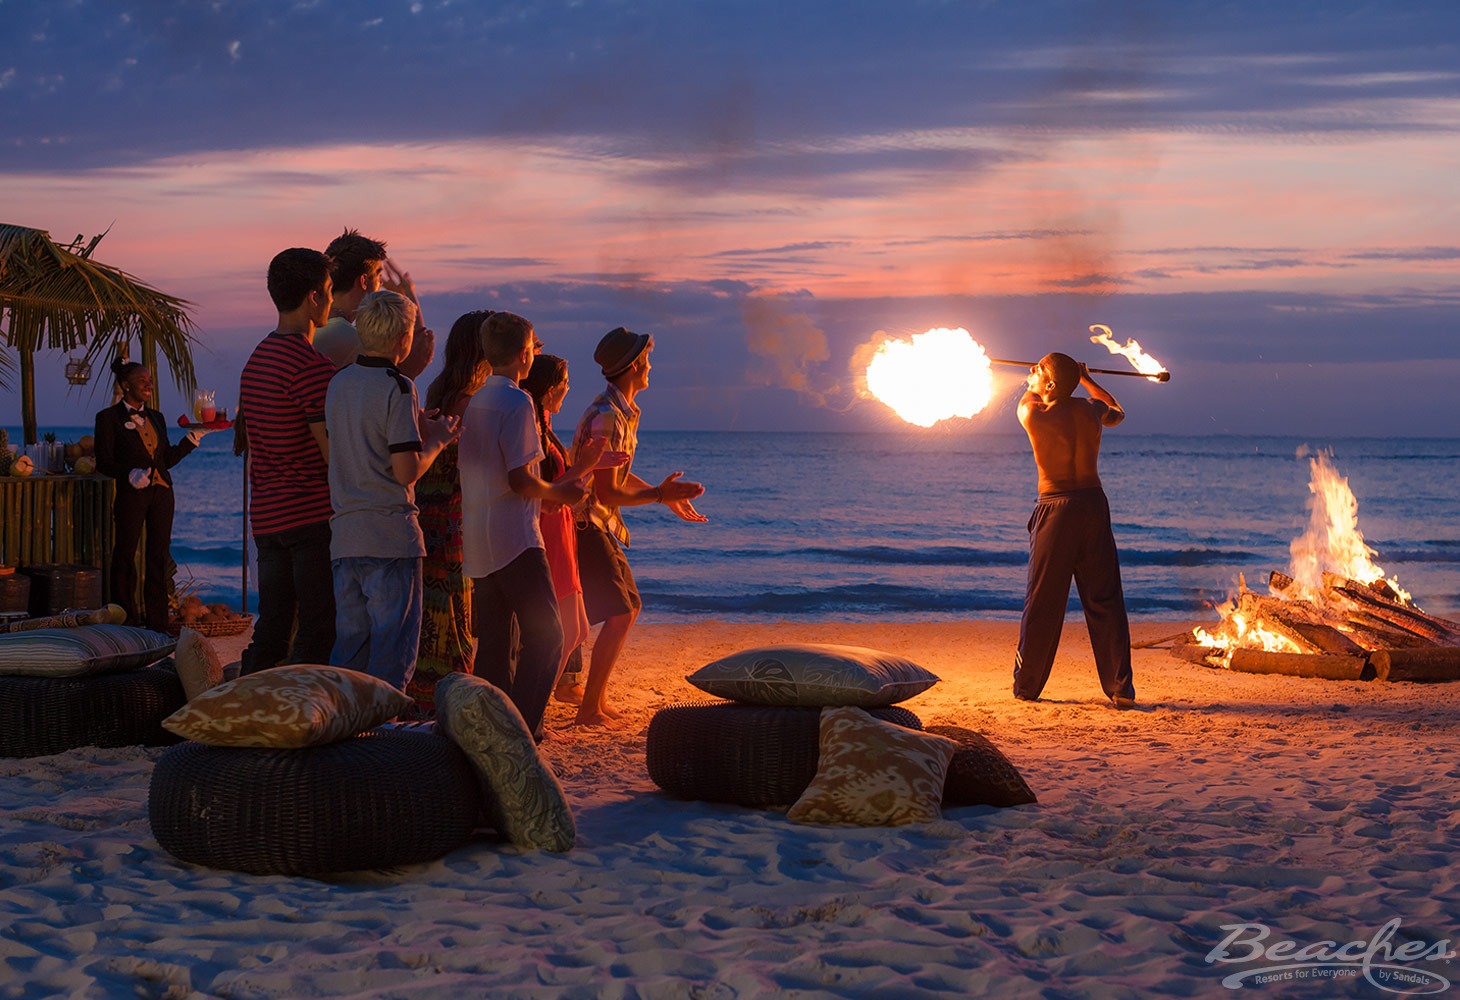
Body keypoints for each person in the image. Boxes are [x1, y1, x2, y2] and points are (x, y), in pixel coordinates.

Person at [458, 313, 610, 740]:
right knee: (548, 638)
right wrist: (564, 494)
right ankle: (521, 728)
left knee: (494, 647)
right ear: (525, 354)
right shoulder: (518, 402)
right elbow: (521, 479)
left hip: (479, 540)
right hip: (516, 539)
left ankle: (492, 727)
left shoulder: (475, 400)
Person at [570, 327, 706, 727]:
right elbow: (607, 492)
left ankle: (593, 701)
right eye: (646, 360)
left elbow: (615, 475)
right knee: (623, 610)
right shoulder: (609, 416)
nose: (650, 367)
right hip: (585, 521)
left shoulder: (621, 410)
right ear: (633, 367)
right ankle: (588, 707)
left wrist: (664, 497)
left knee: (626, 609)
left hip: (596, 520)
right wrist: (660, 495)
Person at [326, 290, 460, 689]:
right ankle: (382, 740)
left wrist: (414, 427)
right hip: (389, 536)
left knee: (350, 654)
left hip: (345, 537)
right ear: (404, 338)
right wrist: (437, 439)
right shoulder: (398, 387)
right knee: (391, 657)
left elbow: (360, 443)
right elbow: (405, 471)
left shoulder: (339, 382)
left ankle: (343, 736)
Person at [1012, 352, 1136, 708]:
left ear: (1050, 385)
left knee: (1044, 601)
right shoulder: (1090, 411)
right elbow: (1117, 411)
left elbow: (1030, 392)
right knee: (1105, 599)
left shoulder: (1032, 413)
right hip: (1094, 506)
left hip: (1057, 508)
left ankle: (1027, 686)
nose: (1031, 371)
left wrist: (1067, 377)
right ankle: (1120, 689)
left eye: (1039, 369)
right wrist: (1086, 378)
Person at [237, 248, 338, 673]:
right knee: (318, 631)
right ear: (313, 297)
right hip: (310, 517)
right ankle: (302, 725)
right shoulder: (312, 366)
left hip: (268, 517)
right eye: (330, 292)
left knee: (273, 630)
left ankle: (239, 718)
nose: (332, 301)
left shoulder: (256, 360)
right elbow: (332, 453)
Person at [409, 309, 495, 715]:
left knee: (433, 612)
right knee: (456, 612)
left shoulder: (438, 391)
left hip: (428, 510)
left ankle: (424, 694)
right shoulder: (473, 401)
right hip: (455, 517)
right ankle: (451, 697)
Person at [93, 360, 212, 630]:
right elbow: (104, 461)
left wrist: (193, 438)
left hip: (162, 494)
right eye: (142, 380)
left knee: (157, 556)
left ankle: (158, 623)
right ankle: (127, 622)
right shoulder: (108, 418)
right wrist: (128, 474)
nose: (149, 384)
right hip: (132, 495)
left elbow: (166, 459)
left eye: (149, 379)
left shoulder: (156, 417)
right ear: (125, 386)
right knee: (124, 555)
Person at [521, 353, 608, 707]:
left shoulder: (545, 424)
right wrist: (584, 465)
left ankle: (532, 707)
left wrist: (589, 466)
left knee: (579, 630)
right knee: (568, 631)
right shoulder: (535, 429)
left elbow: (563, 483)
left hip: (562, 528)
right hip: (549, 527)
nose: (568, 389)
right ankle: (531, 708)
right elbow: (547, 491)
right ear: (551, 388)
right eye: (565, 383)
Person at [313, 228, 435, 379]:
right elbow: (417, 351)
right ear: (364, 281)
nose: (381, 283)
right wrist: (407, 297)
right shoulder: (355, 341)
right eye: (378, 275)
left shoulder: (314, 328)